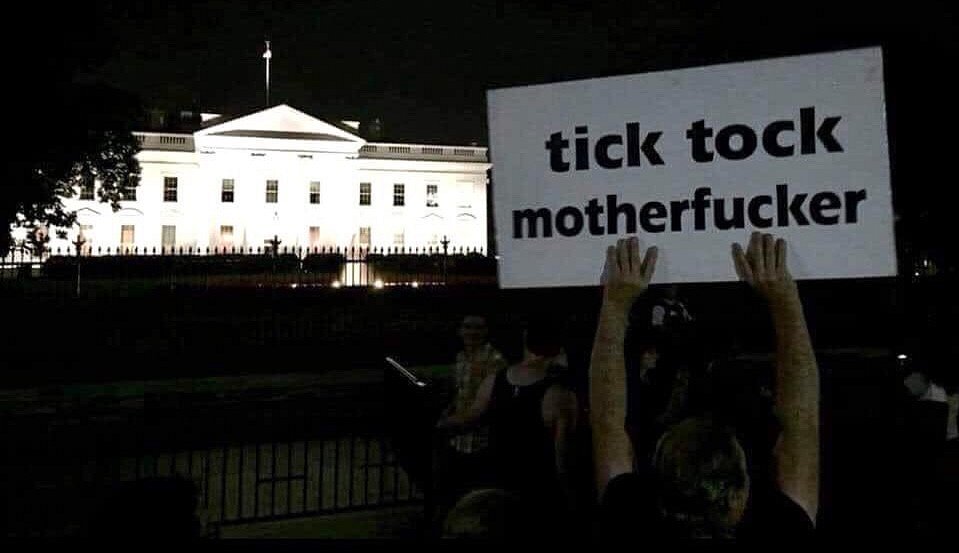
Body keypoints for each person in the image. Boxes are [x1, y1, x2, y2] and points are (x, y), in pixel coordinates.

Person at [591, 233, 818, 540]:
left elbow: (607, 422)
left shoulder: (628, 522)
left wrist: (616, 305)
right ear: (739, 497)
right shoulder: (782, 533)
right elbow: (801, 425)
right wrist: (785, 300)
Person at [437, 316, 580, 527]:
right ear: (559, 348)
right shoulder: (560, 395)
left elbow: (471, 416)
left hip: (497, 479)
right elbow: (562, 459)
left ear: (525, 340)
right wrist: (570, 500)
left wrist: (440, 423)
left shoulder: (496, 379)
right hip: (537, 488)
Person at [430, 315, 507, 525]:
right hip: (458, 438)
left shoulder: (495, 361)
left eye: (478, 328)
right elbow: (461, 393)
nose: (472, 332)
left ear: (486, 332)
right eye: (468, 327)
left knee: (474, 498)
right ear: (460, 331)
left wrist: (446, 423)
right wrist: (448, 413)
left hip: (481, 441)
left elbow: (488, 405)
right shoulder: (461, 358)